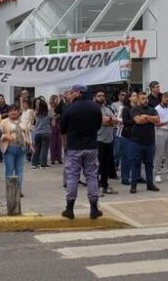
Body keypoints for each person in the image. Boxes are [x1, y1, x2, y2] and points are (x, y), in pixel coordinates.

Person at [60, 84, 103, 220]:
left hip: (74, 147)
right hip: (91, 146)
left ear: (77, 92)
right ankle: (94, 208)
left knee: (72, 176)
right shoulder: (95, 107)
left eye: (72, 92)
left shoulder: (69, 109)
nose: (70, 94)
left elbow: (62, 129)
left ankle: (69, 208)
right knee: (92, 176)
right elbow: (98, 125)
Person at [129, 91, 161, 194]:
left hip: (150, 141)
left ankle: (150, 184)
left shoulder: (152, 109)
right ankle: (133, 185)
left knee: (149, 164)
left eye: (146, 98)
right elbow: (138, 121)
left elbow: (158, 120)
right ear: (138, 100)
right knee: (136, 163)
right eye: (143, 99)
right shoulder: (134, 109)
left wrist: (146, 117)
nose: (145, 100)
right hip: (137, 141)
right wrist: (150, 119)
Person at [0, 105, 31, 197]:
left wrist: (30, 145)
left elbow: (27, 133)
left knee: (19, 170)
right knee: (9, 170)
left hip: (21, 148)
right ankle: (10, 190)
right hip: (9, 148)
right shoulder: (4, 122)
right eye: (11, 111)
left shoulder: (23, 122)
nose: (13, 113)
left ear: (19, 112)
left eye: (15, 110)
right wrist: (5, 136)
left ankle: (18, 190)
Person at [95, 90, 118, 195]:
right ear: (95, 97)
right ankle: (95, 187)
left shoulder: (108, 109)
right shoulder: (94, 109)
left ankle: (105, 185)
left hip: (109, 140)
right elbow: (101, 121)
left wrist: (108, 120)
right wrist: (110, 121)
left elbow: (115, 121)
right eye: (99, 96)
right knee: (97, 165)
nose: (101, 97)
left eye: (103, 95)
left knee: (105, 165)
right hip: (98, 140)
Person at [119, 91, 140, 186]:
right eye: (134, 96)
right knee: (127, 157)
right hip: (128, 135)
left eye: (136, 95)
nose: (136, 97)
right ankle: (125, 177)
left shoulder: (139, 108)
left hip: (138, 135)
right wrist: (136, 120)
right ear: (129, 98)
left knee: (137, 157)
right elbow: (125, 122)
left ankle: (137, 176)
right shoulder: (126, 109)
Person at [32, 97, 52, 169]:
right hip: (46, 133)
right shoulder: (49, 113)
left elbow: (36, 109)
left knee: (36, 148)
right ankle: (43, 164)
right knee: (44, 149)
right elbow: (53, 123)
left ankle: (34, 163)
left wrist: (37, 104)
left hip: (37, 133)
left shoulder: (36, 113)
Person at [49, 95, 63, 165]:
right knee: (53, 143)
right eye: (55, 99)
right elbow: (51, 116)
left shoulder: (60, 107)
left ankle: (59, 158)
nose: (56, 101)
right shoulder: (50, 108)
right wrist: (56, 116)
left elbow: (60, 115)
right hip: (52, 126)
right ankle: (53, 159)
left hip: (59, 125)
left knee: (59, 142)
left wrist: (57, 116)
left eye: (57, 99)